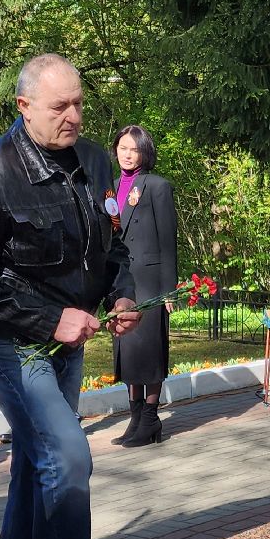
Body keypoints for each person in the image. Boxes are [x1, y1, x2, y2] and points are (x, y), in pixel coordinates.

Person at [0, 54, 140, 539]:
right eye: (60, 107)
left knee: (37, 468)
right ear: (24, 107)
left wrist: (121, 295)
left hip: (68, 343)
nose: (75, 116)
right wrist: (49, 319)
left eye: (79, 103)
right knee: (68, 457)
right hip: (9, 344)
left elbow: (115, 249)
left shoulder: (95, 162)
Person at [109, 124, 178, 447]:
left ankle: (151, 417)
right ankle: (135, 416)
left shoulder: (157, 186)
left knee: (148, 351)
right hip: (123, 285)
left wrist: (168, 290)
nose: (126, 153)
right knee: (127, 350)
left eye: (132, 149)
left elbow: (168, 241)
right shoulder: (110, 189)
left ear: (144, 153)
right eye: (122, 147)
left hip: (150, 283)